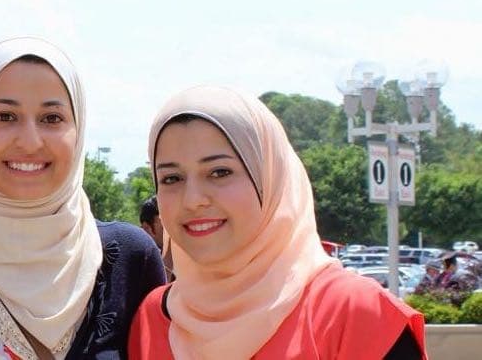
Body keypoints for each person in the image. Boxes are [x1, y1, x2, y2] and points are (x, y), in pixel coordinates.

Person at [129, 86, 427, 360]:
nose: (192, 199)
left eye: (219, 172)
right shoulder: (153, 319)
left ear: (271, 178)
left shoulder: (352, 314)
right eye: (171, 178)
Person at [0, 37, 165, 359]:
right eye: (5, 116)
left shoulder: (130, 260)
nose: (30, 142)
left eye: (51, 119)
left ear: (79, 128)